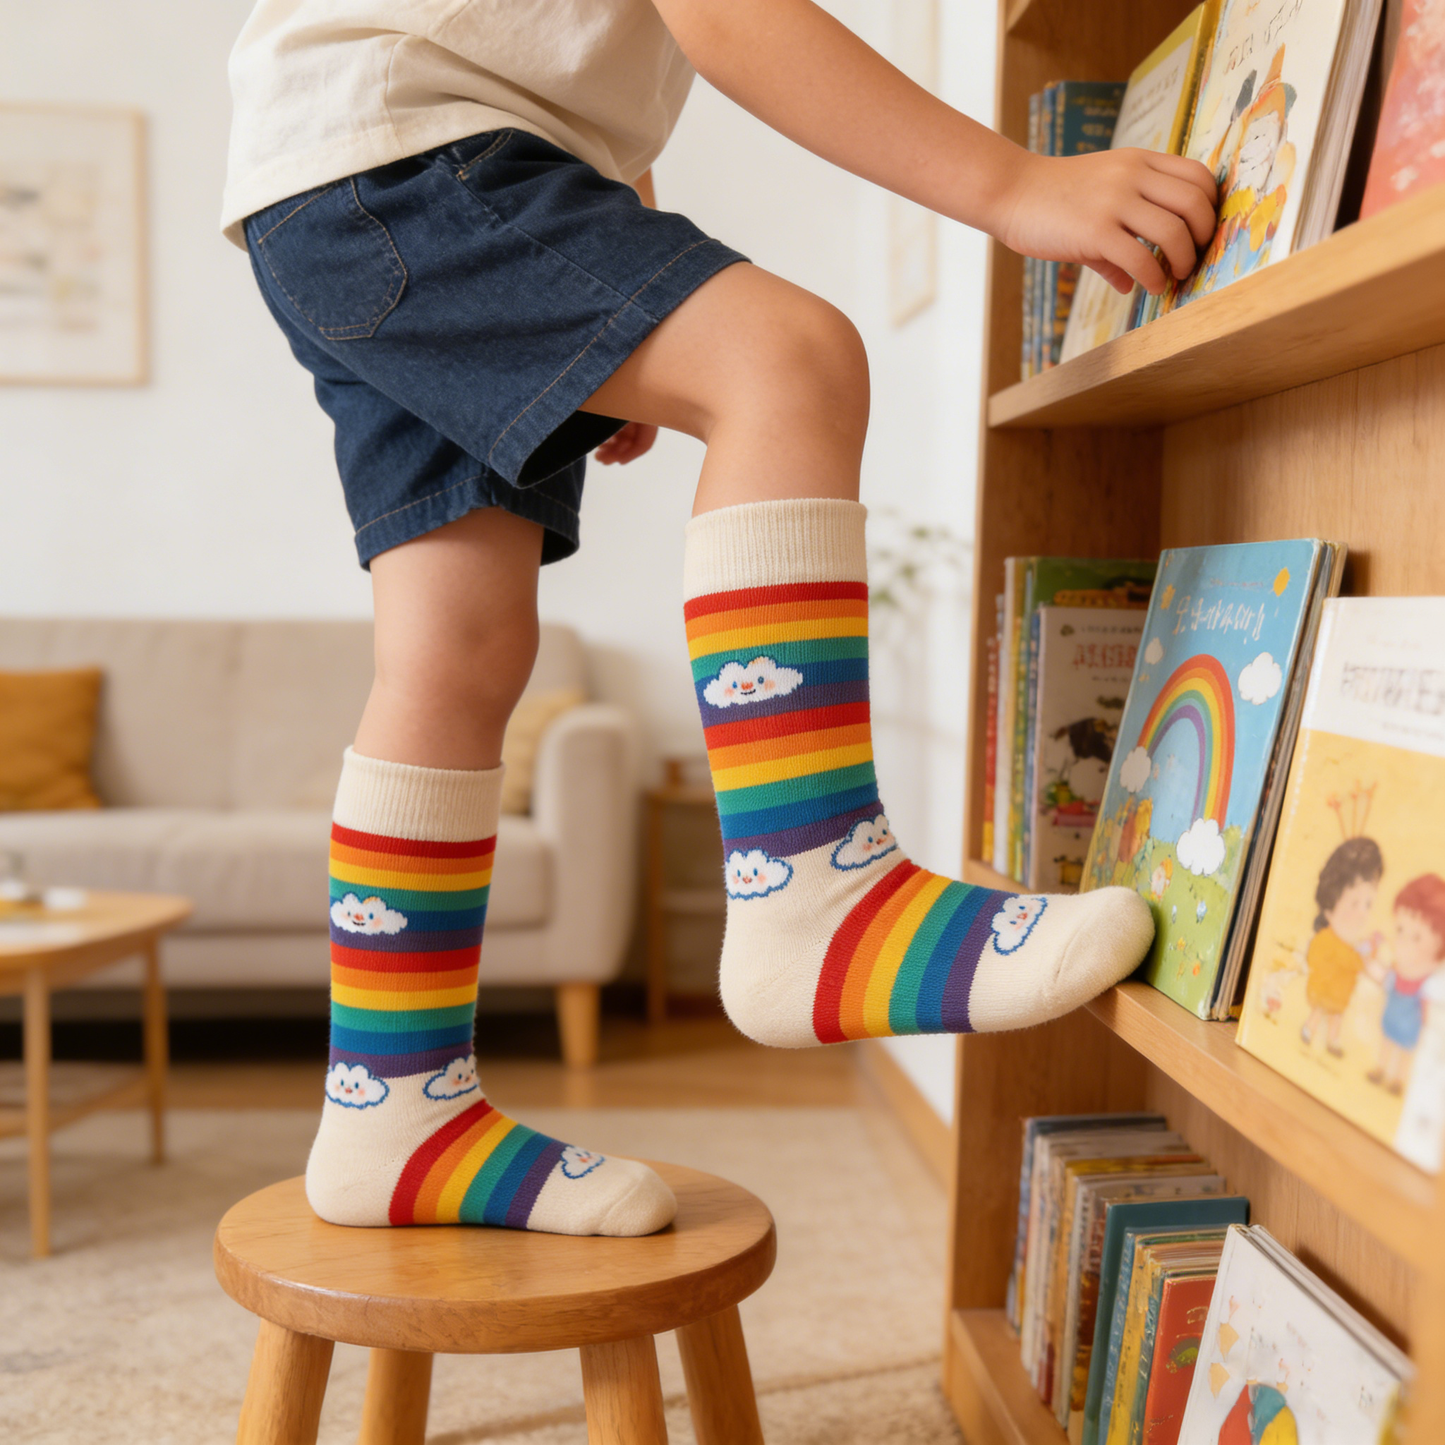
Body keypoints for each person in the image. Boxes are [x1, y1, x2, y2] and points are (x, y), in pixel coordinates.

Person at [222, 0, 1217, 1235]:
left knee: (456, 650)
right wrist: (1013, 185)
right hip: (415, 154)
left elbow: (592, 62)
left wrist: (615, 275)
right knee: (788, 358)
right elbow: (729, 18)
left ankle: (392, 1112)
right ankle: (816, 894)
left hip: (336, 183)